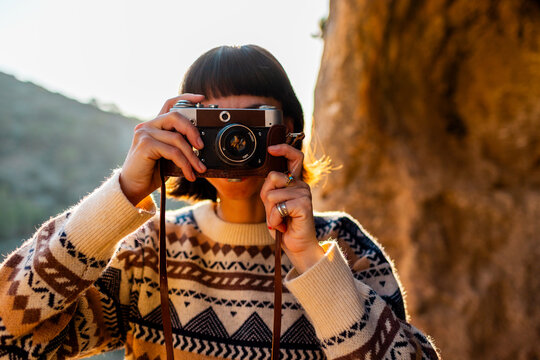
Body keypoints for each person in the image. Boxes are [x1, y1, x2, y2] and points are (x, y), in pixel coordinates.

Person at [0, 45, 439, 359]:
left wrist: (310, 260)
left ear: (289, 130)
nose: (233, 141)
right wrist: (124, 193)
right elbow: (9, 335)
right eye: (212, 123)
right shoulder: (150, 249)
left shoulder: (343, 246)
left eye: (251, 122)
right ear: (179, 129)